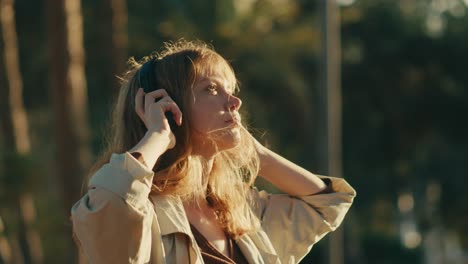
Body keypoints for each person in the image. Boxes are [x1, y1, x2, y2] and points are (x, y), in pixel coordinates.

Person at [71, 39, 356, 264]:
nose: (234, 102)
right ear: (168, 108)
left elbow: (328, 202)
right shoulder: (142, 212)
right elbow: (107, 207)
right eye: (211, 89)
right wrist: (157, 137)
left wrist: (254, 152)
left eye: (230, 89)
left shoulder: (239, 211)